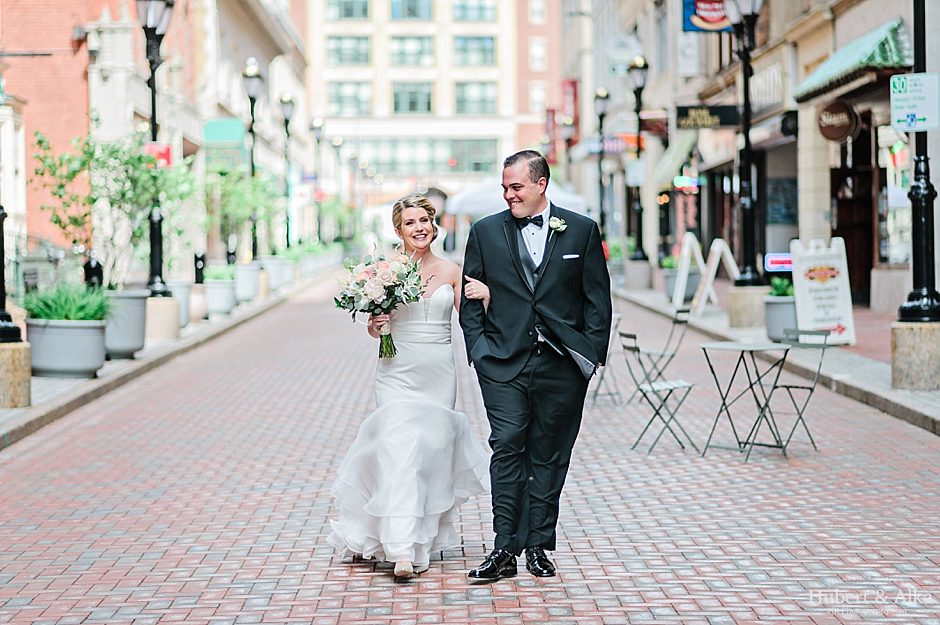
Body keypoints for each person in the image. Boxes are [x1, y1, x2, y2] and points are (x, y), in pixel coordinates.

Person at [459, 150, 612, 581]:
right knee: (507, 445)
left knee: (548, 454)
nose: (508, 195)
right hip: (503, 363)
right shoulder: (485, 232)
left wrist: (590, 356)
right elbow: (470, 297)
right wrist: (480, 352)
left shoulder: (580, 231)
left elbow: (597, 301)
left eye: (516, 186)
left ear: (541, 184)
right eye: (504, 187)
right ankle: (504, 547)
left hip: (562, 366)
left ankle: (539, 546)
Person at [328, 194, 490, 580]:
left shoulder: (452, 270)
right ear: (397, 230)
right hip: (396, 372)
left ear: (433, 226)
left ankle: (420, 538)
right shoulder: (383, 271)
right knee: (399, 451)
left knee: (429, 454)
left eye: (424, 221)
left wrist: (487, 298)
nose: (419, 228)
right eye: (410, 222)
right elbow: (374, 326)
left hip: (438, 375)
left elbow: (471, 322)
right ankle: (401, 549)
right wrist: (376, 325)